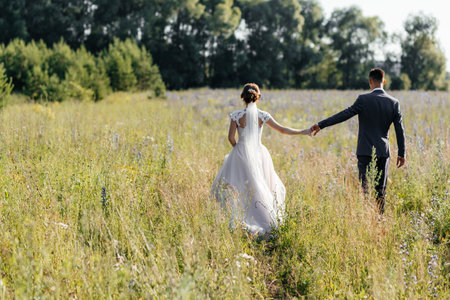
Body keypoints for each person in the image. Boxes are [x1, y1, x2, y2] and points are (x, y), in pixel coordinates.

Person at [211, 83, 311, 235]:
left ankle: (240, 218)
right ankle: (265, 219)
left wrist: (238, 149)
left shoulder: (236, 116)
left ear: (242, 97)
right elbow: (283, 130)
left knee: (239, 187)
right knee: (260, 186)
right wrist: (303, 131)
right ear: (258, 97)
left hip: (240, 153)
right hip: (259, 153)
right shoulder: (263, 115)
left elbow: (230, 138)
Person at [310, 68, 406, 214]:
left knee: (365, 189)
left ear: (370, 81)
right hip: (382, 152)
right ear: (384, 81)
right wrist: (401, 153)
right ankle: (379, 221)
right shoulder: (394, 103)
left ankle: (367, 218)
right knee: (381, 190)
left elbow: (343, 115)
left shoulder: (363, 100)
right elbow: (400, 130)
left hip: (365, 151)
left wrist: (321, 124)